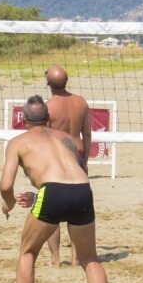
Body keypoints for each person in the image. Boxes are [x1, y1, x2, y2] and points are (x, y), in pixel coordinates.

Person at [0, 96, 112, 283]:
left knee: (27, 252)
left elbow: (5, 185)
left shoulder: (18, 141)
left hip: (51, 192)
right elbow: (69, 174)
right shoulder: (67, 139)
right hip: (82, 190)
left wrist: (8, 203)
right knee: (90, 257)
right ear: (48, 117)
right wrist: (40, 194)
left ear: (23, 119)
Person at [41, 65, 94, 265]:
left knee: (51, 209)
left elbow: (44, 138)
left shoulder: (48, 106)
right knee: (77, 210)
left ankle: (55, 259)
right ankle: (75, 258)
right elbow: (87, 134)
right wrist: (86, 161)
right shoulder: (81, 102)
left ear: (48, 83)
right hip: (78, 155)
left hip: (57, 158)